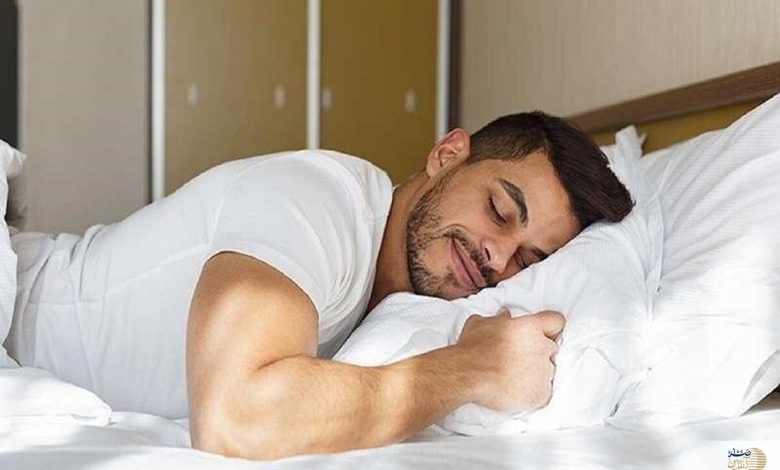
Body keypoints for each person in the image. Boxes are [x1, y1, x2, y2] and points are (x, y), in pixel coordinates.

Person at [5, 111, 632, 459]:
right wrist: (472, 369)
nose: (497, 256)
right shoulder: (319, 202)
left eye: (529, 259)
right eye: (498, 209)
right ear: (447, 155)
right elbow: (235, 420)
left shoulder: (391, 304)